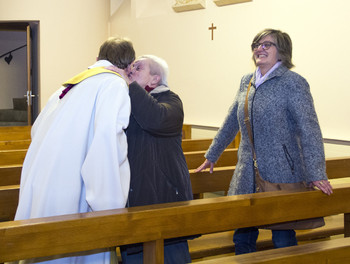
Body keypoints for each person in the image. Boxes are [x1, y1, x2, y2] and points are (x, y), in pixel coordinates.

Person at [195, 29, 333, 255]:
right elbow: (232, 120)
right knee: (243, 235)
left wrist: (317, 172)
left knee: (283, 236)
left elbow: (309, 129)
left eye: (267, 44)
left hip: (283, 172)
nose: (260, 48)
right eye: (256, 44)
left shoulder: (293, 83)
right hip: (247, 171)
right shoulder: (246, 82)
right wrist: (212, 154)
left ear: (283, 51)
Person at [13, 37, 135, 264]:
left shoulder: (69, 85)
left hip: (46, 179)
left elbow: (37, 130)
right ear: (130, 65)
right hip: (75, 187)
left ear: (97, 59)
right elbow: (107, 142)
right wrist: (108, 203)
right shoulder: (114, 84)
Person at [119, 55, 193, 263]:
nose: (130, 70)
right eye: (131, 67)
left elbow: (156, 119)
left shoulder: (171, 100)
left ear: (154, 80)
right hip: (134, 196)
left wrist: (130, 84)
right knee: (134, 255)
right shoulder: (126, 100)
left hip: (165, 196)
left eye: (138, 68)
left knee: (171, 256)